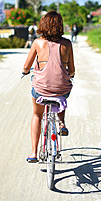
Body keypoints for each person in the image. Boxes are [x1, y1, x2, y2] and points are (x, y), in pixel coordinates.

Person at [22, 11, 75, 163]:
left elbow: (27, 67)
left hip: (41, 90)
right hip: (61, 90)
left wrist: (25, 71)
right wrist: (68, 74)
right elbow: (72, 70)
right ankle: (62, 122)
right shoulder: (67, 44)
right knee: (63, 90)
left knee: (37, 115)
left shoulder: (38, 43)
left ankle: (33, 153)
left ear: (43, 25)